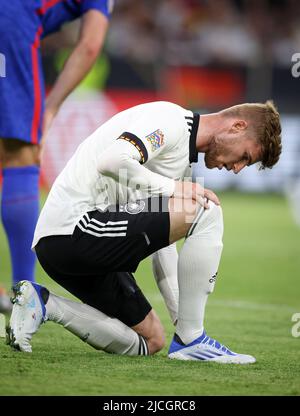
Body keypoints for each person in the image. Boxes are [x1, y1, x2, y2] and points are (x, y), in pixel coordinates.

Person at [7, 100, 281, 362]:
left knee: (151, 341)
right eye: (245, 157)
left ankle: (43, 304)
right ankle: (192, 339)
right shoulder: (170, 121)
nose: (237, 168)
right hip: (73, 229)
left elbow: (163, 248)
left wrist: (179, 320)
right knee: (206, 208)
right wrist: (177, 189)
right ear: (237, 127)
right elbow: (112, 161)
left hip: (74, 246)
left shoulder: (183, 163)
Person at [0, 0, 113, 313]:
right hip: (9, 23)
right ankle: (25, 294)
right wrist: (51, 106)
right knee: (20, 154)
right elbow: (91, 45)